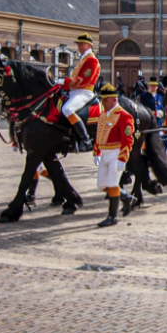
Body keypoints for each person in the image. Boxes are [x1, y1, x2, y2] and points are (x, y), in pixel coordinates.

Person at [92, 83, 134, 227]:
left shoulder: (124, 116)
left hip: (116, 153)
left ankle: (112, 216)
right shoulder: (103, 115)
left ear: (114, 100)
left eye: (105, 100)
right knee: (102, 184)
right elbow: (99, 135)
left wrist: (123, 158)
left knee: (112, 183)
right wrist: (96, 151)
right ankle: (126, 197)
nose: (102, 103)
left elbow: (127, 139)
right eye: (102, 99)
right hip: (104, 153)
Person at [60, 33, 100, 152]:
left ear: (89, 45)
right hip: (74, 92)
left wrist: (64, 81)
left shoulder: (92, 60)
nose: (79, 47)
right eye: (78, 44)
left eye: (81, 44)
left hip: (84, 92)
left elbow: (84, 80)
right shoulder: (83, 59)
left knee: (67, 109)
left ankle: (85, 139)